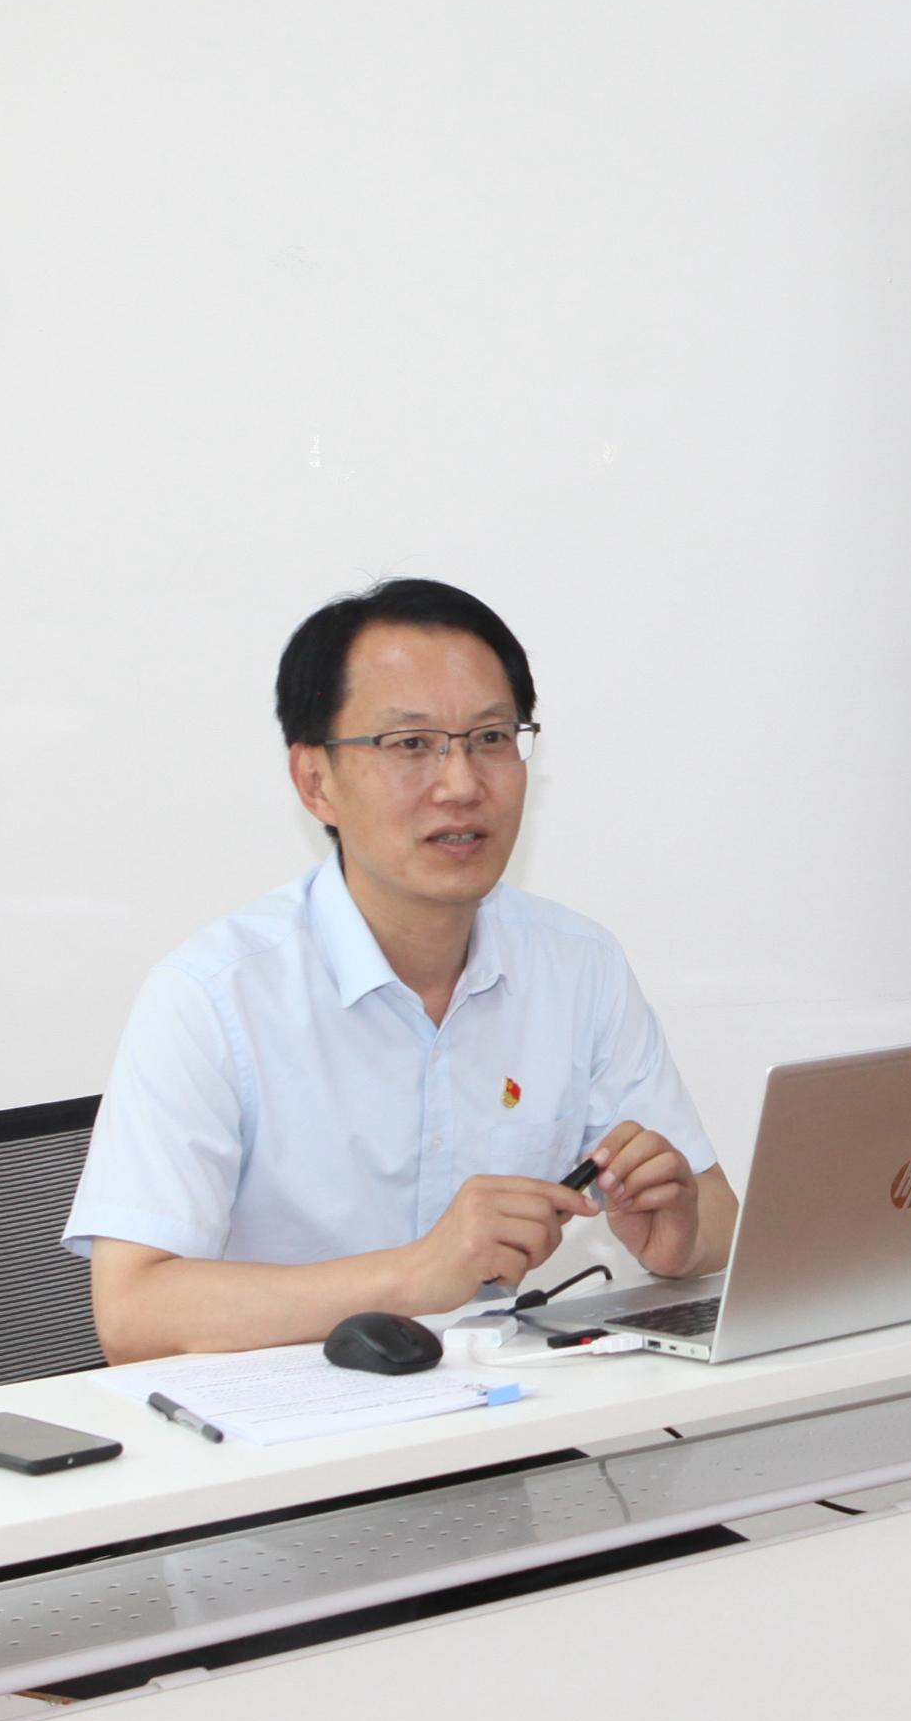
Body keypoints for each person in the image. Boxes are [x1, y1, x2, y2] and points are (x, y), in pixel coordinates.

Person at [65, 578, 734, 1362]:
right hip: (286, 1428)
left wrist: (680, 1237)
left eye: (491, 737)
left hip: (509, 1412)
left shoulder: (578, 965)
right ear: (315, 781)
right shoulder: (213, 996)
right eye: (411, 744)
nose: (462, 784)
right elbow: (133, 1313)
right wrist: (416, 1273)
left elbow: (717, 1213)